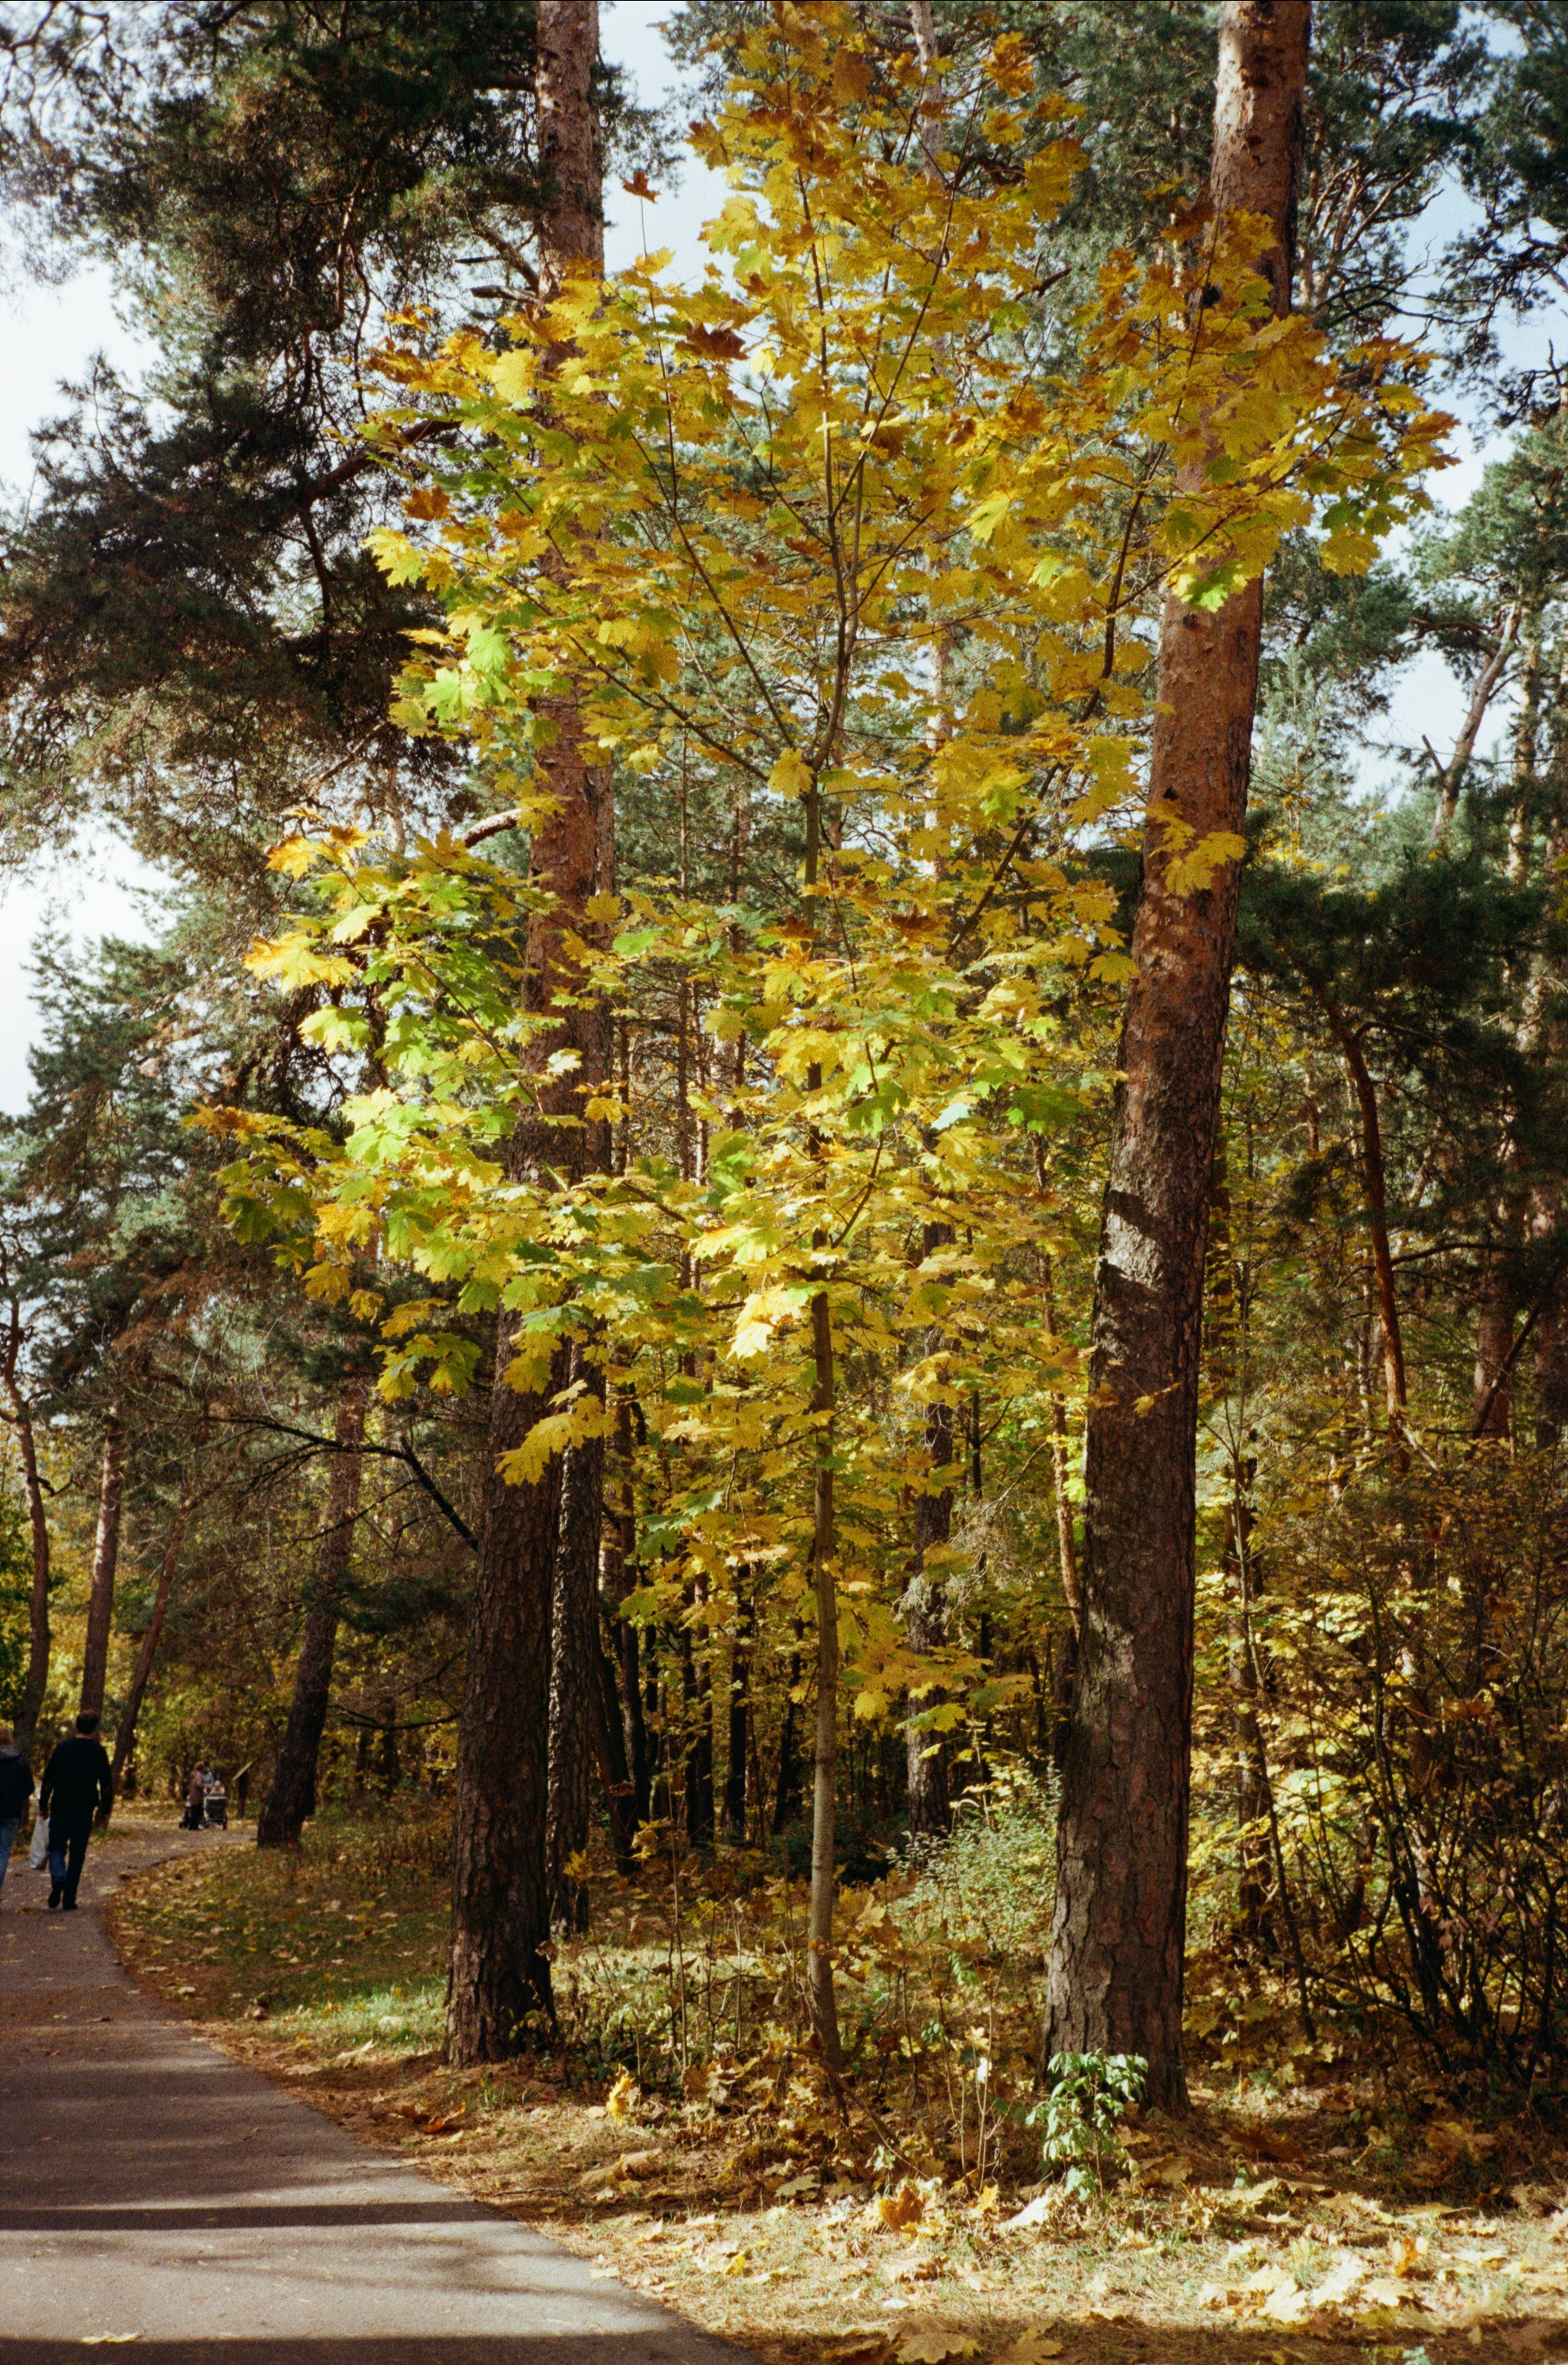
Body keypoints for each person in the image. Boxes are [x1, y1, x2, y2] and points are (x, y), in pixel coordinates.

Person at [38, 1712, 113, 1910]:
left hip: (61, 1805)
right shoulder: (98, 1751)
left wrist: (43, 1804)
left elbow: (49, 1778)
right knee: (78, 1853)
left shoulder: (62, 1748)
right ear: (94, 1727)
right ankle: (69, 1899)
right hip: (84, 1808)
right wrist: (105, 1810)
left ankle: (58, 1876)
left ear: (77, 1726)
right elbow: (106, 1784)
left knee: (56, 1847)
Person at [0, 1727, 33, 1905]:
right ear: (10, 1740)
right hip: (11, 1811)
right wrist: (17, 1797)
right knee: (3, 1852)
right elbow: (29, 1787)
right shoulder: (20, 1760)